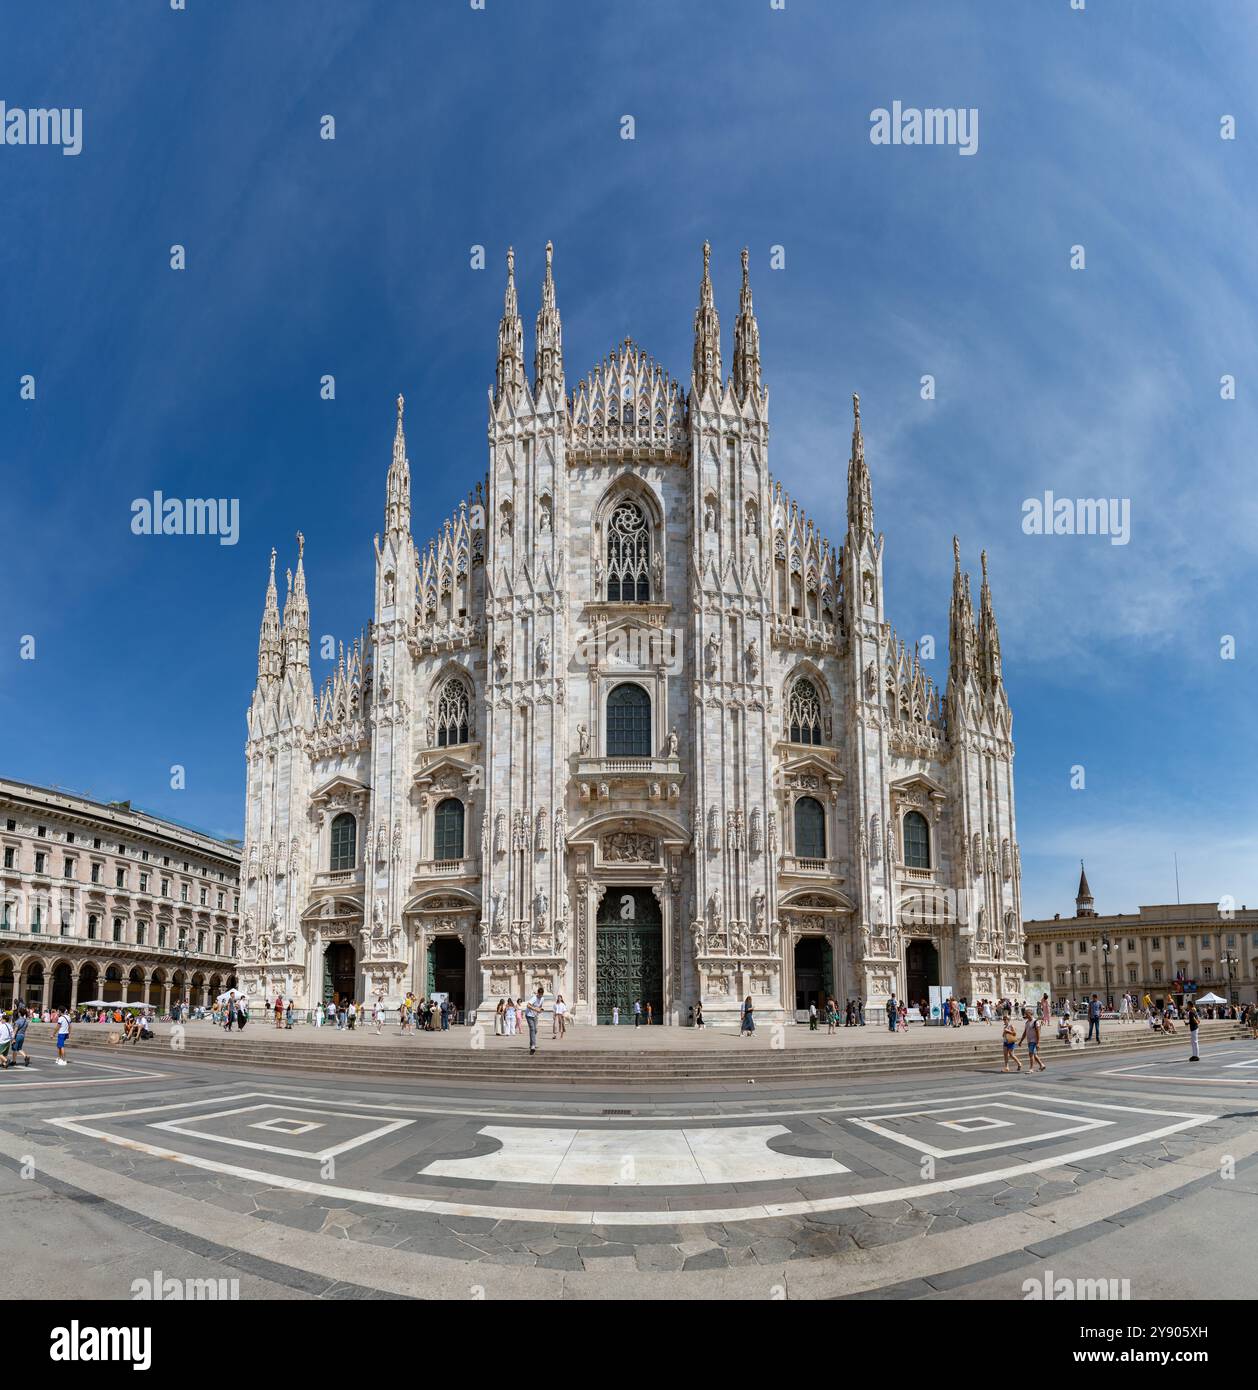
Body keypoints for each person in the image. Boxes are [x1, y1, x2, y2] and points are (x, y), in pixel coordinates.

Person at [524, 986, 543, 1055]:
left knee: (535, 1030)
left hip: (535, 1016)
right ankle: (533, 1046)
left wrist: (540, 1010)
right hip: (529, 1015)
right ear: (537, 993)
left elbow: (540, 1006)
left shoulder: (542, 998)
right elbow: (528, 1005)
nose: (540, 996)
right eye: (539, 994)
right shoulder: (534, 998)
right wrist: (535, 1009)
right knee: (532, 1029)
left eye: (541, 995)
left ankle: (531, 1043)